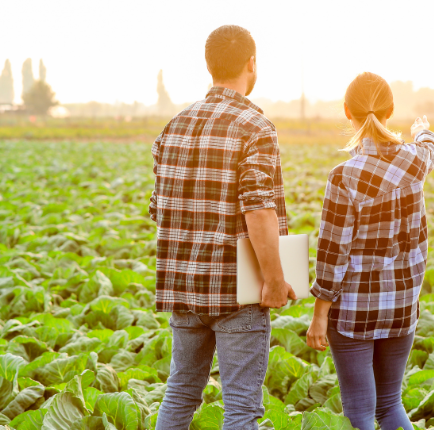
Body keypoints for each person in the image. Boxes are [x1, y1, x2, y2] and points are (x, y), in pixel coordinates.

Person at [149, 24, 295, 430]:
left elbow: (159, 210)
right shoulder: (255, 127)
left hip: (183, 288)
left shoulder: (173, 126)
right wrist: (274, 280)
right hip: (238, 290)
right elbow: (259, 210)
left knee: (181, 392)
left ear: (209, 65)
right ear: (251, 64)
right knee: (241, 409)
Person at [305, 72, 434, 430]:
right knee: (391, 407)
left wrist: (320, 314)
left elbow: (332, 253)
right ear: (390, 110)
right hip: (402, 307)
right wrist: (421, 130)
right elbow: (433, 148)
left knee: (361, 414)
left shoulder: (344, 176)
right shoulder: (416, 161)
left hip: (354, 312)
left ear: (346, 111)